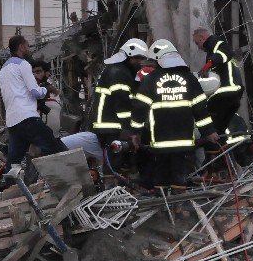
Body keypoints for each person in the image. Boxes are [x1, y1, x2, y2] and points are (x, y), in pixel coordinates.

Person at [131, 39, 219, 189]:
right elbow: (200, 109)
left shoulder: (151, 79)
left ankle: (162, 206)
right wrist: (209, 132)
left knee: (161, 177)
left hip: (159, 141)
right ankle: (180, 207)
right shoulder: (190, 79)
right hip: (183, 141)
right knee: (180, 177)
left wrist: (135, 133)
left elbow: (140, 108)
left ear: (158, 60)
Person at [0, 35, 66, 180]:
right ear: (21, 47)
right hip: (27, 117)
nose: (29, 49)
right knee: (55, 147)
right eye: (27, 46)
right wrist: (47, 90)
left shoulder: (3, 71)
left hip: (13, 121)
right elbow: (35, 92)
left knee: (14, 163)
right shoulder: (23, 64)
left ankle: (9, 192)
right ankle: (73, 178)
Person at [88, 38, 148, 148]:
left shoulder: (117, 70)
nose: (140, 63)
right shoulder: (119, 73)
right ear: (130, 56)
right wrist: (128, 130)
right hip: (112, 128)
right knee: (114, 163)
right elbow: (122, 103)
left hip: (108, 127)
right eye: (138, 58)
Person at [192, 28, 243, 137]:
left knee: (207, 118)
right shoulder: (211, 49)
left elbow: (225, 51)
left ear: (202, 38)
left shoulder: (215, 42)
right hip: (233, 92)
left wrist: (208, 65)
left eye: (197, 43)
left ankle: (212, 147)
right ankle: (220, 145)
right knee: (219, 127)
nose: (198, 47)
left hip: (226, 91)